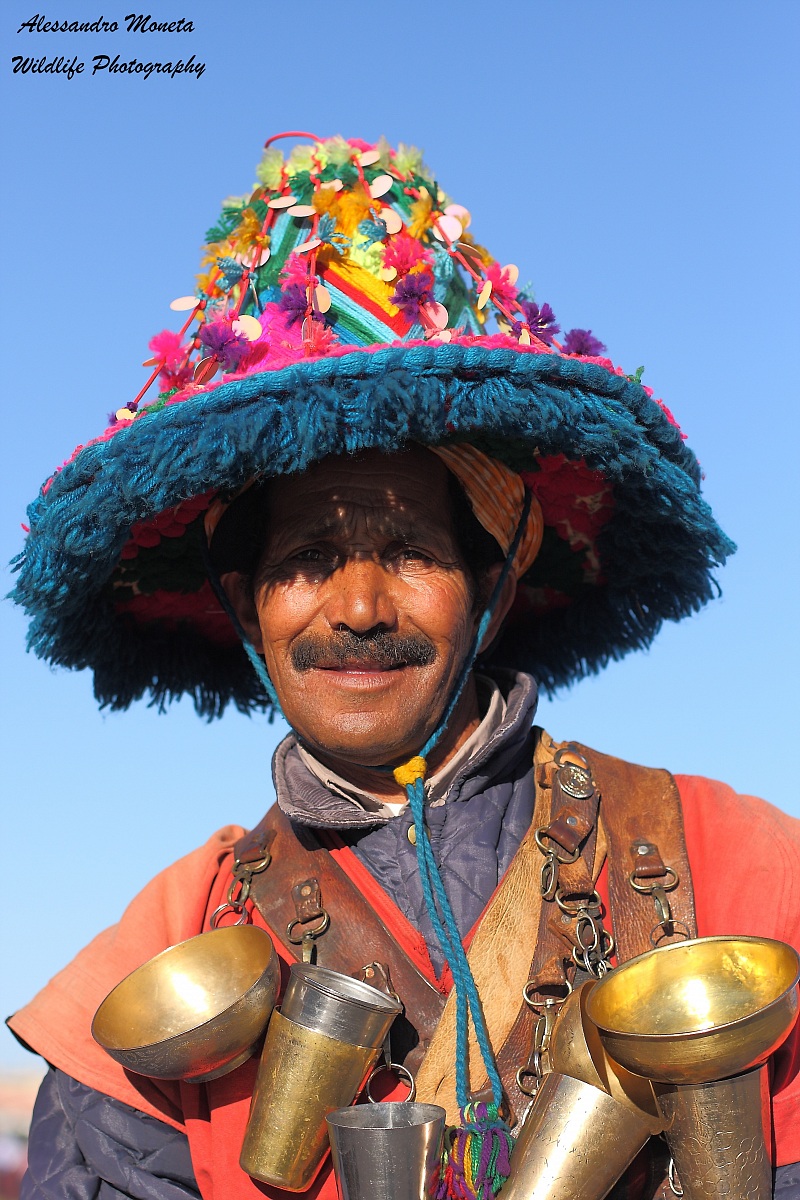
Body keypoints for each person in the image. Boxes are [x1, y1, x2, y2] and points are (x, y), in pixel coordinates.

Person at [8, 133, 800, 1200]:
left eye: (413, 552)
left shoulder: (736, 870)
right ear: (246, 607)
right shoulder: (163, 960)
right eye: (305, 561)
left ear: (495, 585)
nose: (360, 608)